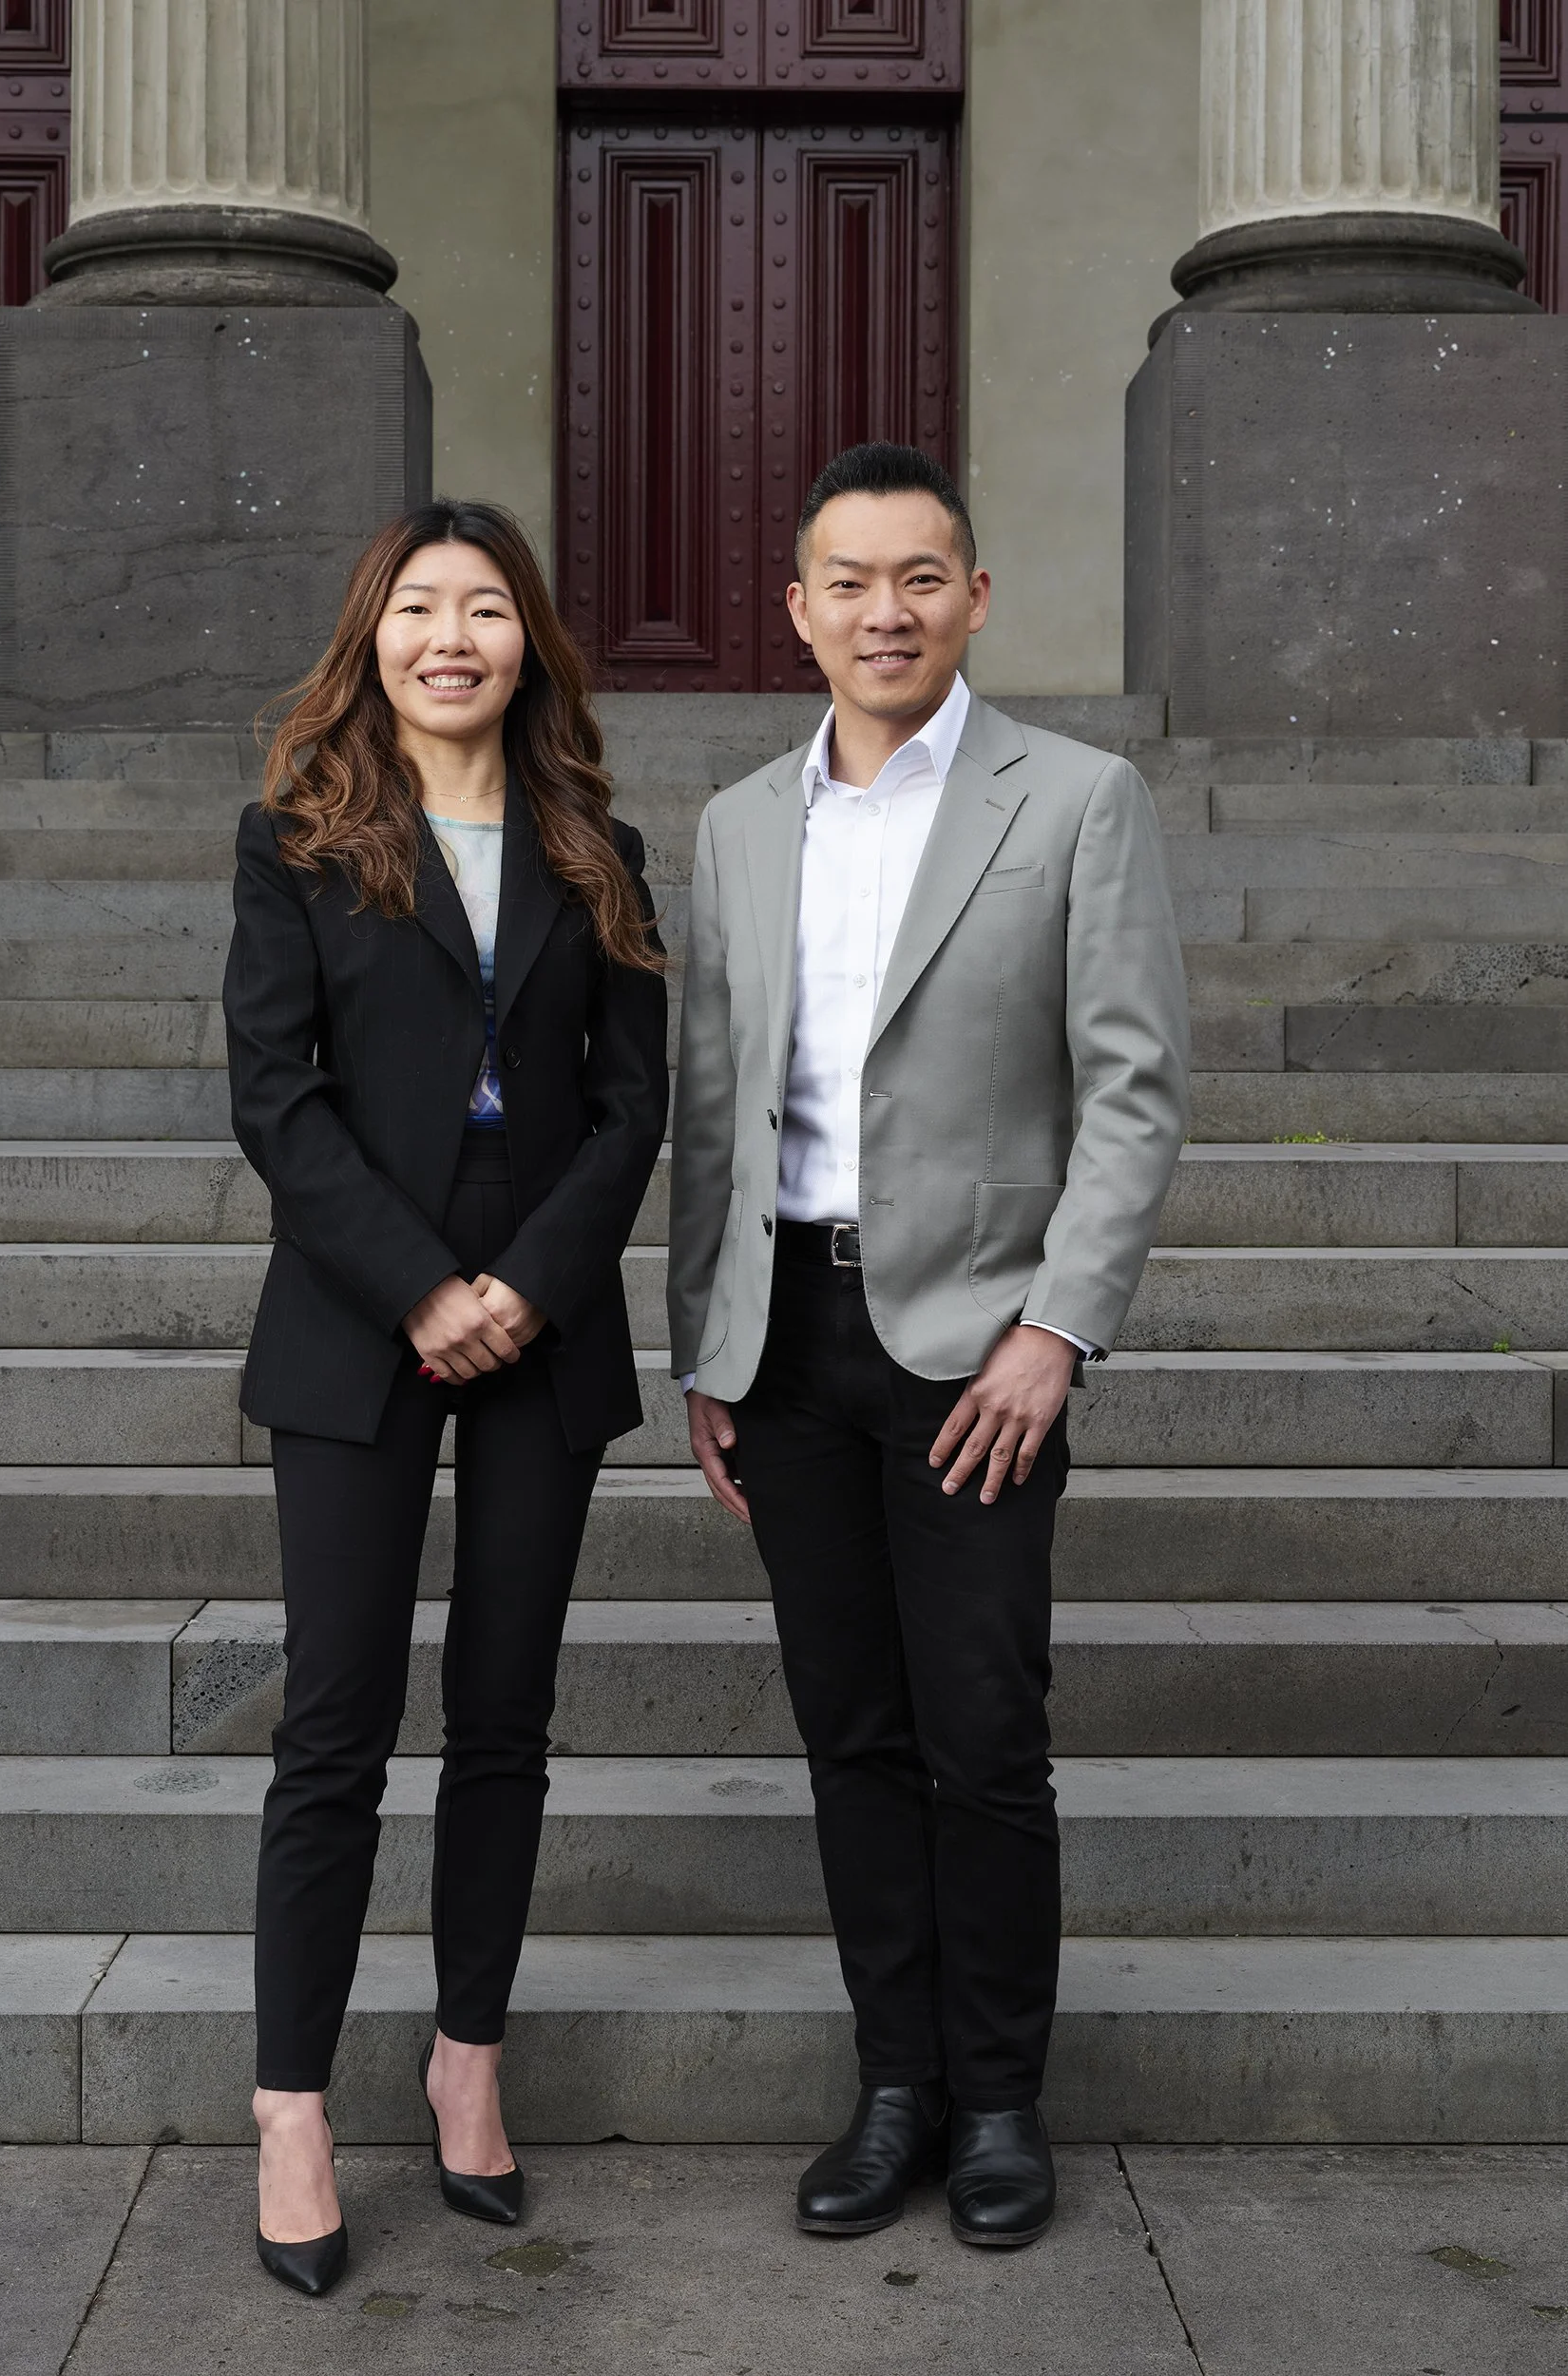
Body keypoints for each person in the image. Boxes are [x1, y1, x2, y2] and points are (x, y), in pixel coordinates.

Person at [668, 442, 1189, 2250]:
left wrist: (1056, 1329)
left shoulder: (1077, 800)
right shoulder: (741, 824)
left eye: (916, 578)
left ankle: (998, 2103)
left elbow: (1132, 1091)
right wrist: (705, 1346)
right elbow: (715, 1106)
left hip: (978, 1349)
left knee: (981, 1733)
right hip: (788, 1341)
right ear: (796, 610)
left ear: (972, 599)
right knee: (851, 1730)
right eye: (847, 581)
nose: (881, 611)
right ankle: (893, 2084)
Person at [224, 498, 667, 2296]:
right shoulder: (297, 838)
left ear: (526, 645)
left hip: (543, 1311)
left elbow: (633, 1103)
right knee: (334, 1721)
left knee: (503, 1715)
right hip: (358, 1313)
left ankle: (466, 2059)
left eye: (486, 609)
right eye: (419, 608)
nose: (451, 638)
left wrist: (525, 1286)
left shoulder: (594, 845)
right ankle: (292, 2111)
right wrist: (417, 1284)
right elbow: (275, 1094)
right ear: (374, 638)